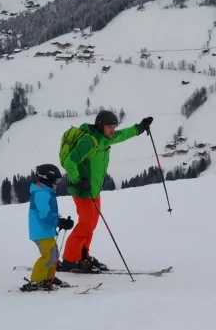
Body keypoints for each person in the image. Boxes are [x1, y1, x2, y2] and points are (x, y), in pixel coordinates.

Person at [57, 110, 153, 273]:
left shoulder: (106, 138)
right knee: (86, 224)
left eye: (114, 127)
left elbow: (123, 134)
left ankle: (83, 255)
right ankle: (70, 259)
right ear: (101, 126)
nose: (113, 130)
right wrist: (77, 181)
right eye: (109, 127)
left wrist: (140, 128)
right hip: (82, 191)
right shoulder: (89, 141)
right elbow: (69, 162)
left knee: (91, 224)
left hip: (94, 190)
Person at [22, 163, 75, 291]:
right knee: (49, 256)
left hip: (46, 230)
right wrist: (59, 222)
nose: (57, 184)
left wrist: (59, 221)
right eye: (56, 181)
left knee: (54, 255)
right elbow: (44, 215)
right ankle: (37, 280)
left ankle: (48, 277)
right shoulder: (40, 194)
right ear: (46, 179)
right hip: (42, 231)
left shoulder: (45, 191)